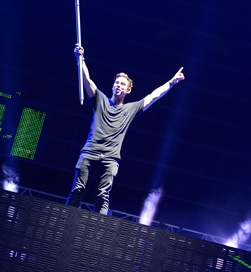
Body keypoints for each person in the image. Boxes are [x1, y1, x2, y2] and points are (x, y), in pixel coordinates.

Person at [65, 43, 185, 215]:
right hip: (90, 151)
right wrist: (80, 59)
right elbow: (87, 81)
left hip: (111, 158)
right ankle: (66, 219)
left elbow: (153, 96)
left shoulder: (131, 109)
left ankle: (98, 227)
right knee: (78, 189)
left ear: (128, 90)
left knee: (102, 195)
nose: (118, 85)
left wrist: (171, 82)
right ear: (113, 85)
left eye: (122, 84)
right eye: (117, 82)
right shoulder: (100, 100)